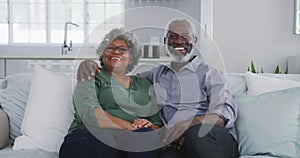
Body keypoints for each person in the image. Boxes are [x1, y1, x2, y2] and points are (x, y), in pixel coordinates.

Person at [77, 18, 238, 158]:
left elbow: (222, 115)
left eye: (185, 37)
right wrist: (90, 63)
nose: (179, 41)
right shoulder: (155, 75)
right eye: (173, 37)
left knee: (198, 133)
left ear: (194, 41)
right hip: (175, 144)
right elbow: (122, 78)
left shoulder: (211, 74)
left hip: (210, 137)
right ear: (165, 41)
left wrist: (188, 124)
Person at [59, 28, 163, 158]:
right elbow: (88, 114)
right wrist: (128, 126)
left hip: (129, 141)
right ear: (102, 54)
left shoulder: (144, 84)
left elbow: (157, 125)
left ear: (131, 58)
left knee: (145, 137)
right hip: (90, 136)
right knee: (103, 139)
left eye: (123, 49)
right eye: (111, 48)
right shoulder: (91, 75)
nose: (116, 52)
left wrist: (147, 124)